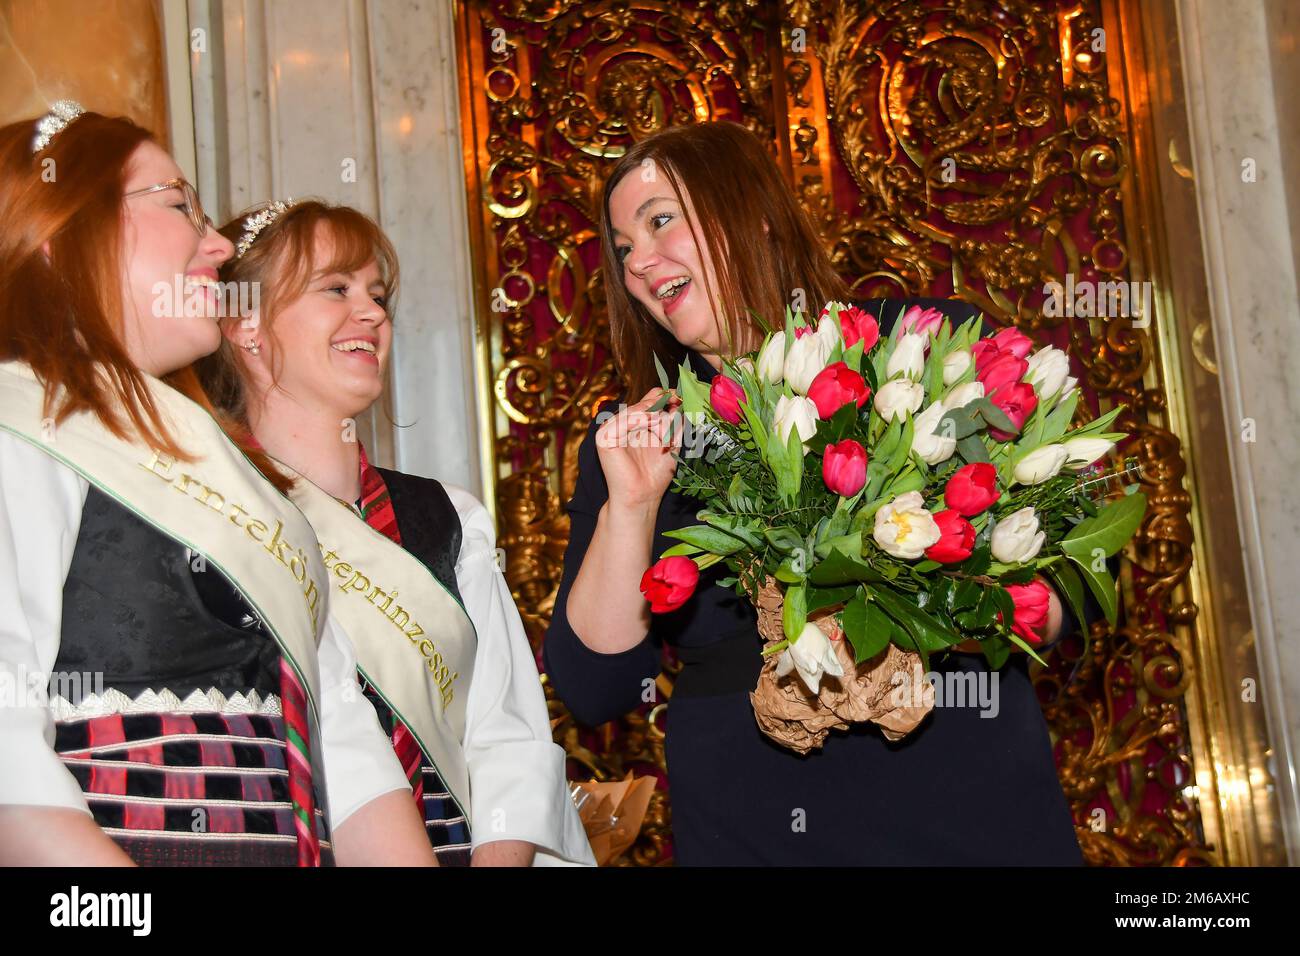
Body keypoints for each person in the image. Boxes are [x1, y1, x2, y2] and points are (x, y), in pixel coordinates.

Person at [544, 121, 1087, 865]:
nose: (640, 261)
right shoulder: (641, 437)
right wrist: (631, 507)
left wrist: (958, 601)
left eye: (660, 219)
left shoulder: (927, 348)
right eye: (624, 247)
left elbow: (1073, 576)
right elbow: (595, 688)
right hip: (755, 828)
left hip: (968, 802)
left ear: (754, 211)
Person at [0, 104, 433, 866]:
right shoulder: (20, 425)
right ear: (59, 227)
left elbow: (344, 741)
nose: (220, 243)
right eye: (177, 205)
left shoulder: (245, 480)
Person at [197, 198, 593, 866]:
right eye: (336, 289)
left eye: (377, 295)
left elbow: (510, 735)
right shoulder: (214, 523)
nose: (374, 313)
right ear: (246, 326)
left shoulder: (450, 519)